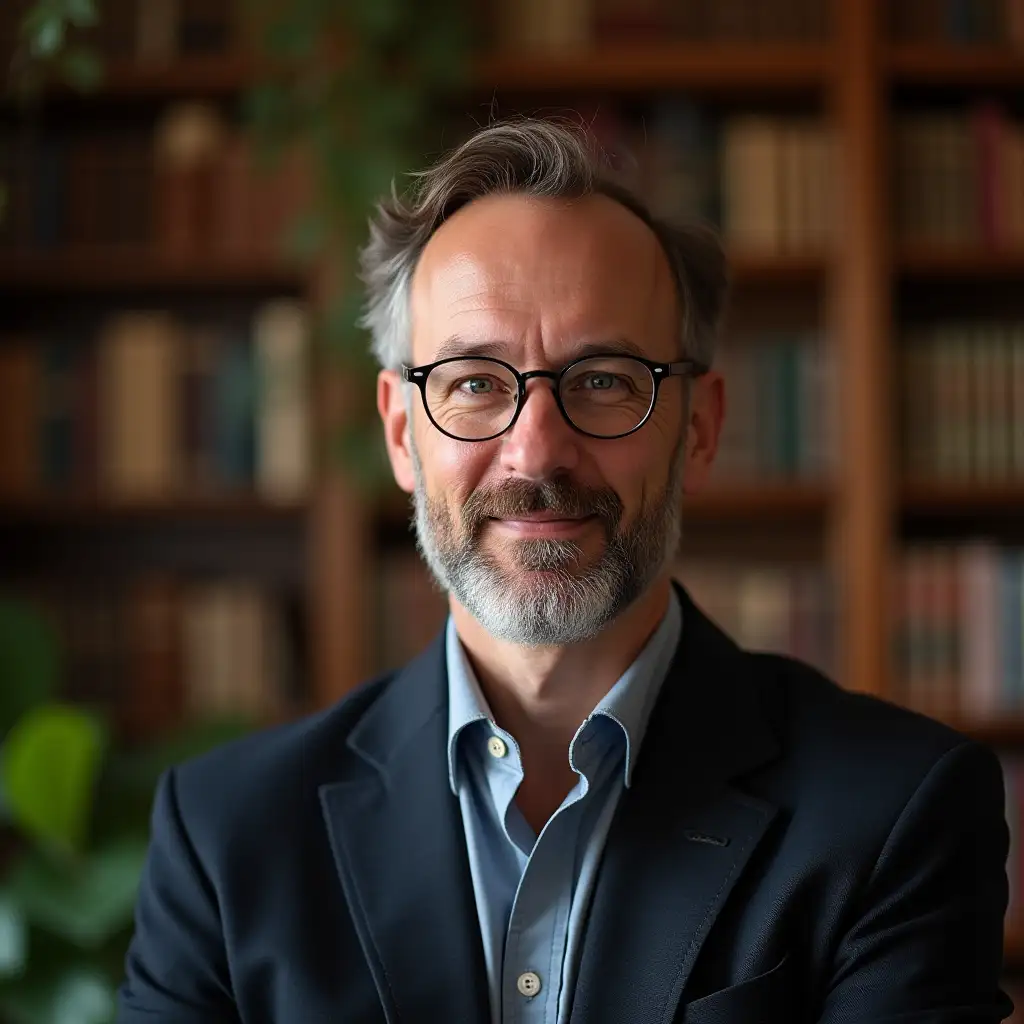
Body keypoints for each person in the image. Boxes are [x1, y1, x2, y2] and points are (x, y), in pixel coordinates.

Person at [116, 119, 1012, 1024]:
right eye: (473, 382)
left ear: (698, 429)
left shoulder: (894, 813)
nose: (536, 452)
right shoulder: (226, 840)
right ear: (400, 432)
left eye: (605, 379)